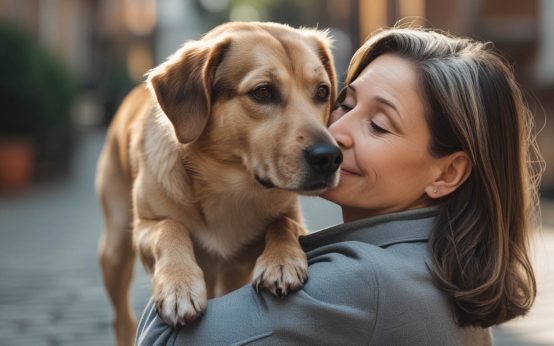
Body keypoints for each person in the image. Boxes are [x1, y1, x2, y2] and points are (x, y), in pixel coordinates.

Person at [135, 27, 543, 345]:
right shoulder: (435, 264)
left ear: (447, 174)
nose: (333, 134)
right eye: (343, 103)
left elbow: (164, 340)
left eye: (379, 125)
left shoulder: (363, 285)